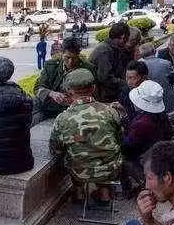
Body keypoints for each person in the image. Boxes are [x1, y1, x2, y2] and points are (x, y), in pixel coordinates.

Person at [50, 68, 122, 203]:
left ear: (69, 91)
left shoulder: (62, 119)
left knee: (71, 157)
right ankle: (104, 193)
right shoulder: (110, 111)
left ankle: (78, 192)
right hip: (112, 170)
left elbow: (55, 148)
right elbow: (119, 138)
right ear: (93, 88)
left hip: (79, 173)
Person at [121, 81, 173, 195]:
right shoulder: (159, 115)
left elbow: (126, 145)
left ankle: (142, 182)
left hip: (145, 157)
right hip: (157, 152)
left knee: (121, 158)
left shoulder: (143, 123)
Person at [34, 37, 95, 123]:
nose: (70, 62)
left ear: (78, 54)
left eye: (74, 58)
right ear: (62, 53)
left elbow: (94, 92)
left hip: (77, 111)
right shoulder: (51, 66)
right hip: (50, 109)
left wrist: (75, 99)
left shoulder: (87, 68)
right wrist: (51, 93)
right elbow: (38, 89)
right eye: (67, 57)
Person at [89, 22, 130, 103]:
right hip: (104, 96)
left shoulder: (114, 48)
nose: (127, 42)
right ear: (123, 37)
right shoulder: (104, 51)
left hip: (110, 93)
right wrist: (126, 83)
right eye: (127, 39)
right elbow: (105, 78)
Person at [138, 43, 174, 113]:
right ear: (155, 51)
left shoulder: (138, 67)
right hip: (168, 102)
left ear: (141, 55)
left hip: (149, 105)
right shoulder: (166, 63)